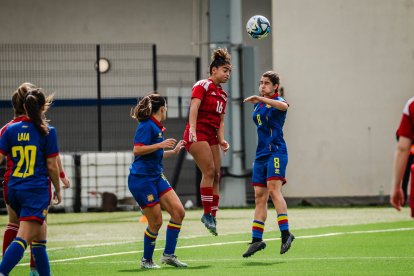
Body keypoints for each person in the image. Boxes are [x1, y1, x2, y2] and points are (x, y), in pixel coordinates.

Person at [1, 83, 70, 276]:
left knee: (39, 239)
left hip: (13, 187)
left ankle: (39, 273)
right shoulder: (46, 130)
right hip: (35, 190)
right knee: (23, 238)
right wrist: (58, 187)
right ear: (42, 107)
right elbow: (51, 165)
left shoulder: (9, 130)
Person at [128, 93, 187, 269]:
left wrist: (173, 151)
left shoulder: (156, 126)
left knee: (178, 212)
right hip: (142, 179)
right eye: (166, 107)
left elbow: (154, 152)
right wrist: (160, 145)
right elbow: (137, 150)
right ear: (162, 108)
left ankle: (168, 255)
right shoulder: (146, 125)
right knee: (156, 222)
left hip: (156, 176)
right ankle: (146, 260)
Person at [242, 71, 294, 258]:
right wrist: (260, 100)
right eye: (260, 83)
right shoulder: (258, 106)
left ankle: (286, 234)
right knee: (259, 196)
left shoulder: (278, 101)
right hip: (261, 154)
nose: (262, 86)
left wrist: (262, 99)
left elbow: (283, 105)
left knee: (274, 190)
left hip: (276, 152)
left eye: (266, 83)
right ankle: (257, 240)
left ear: (275, 87)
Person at [183, 48, 231, 236]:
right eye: (225, 70)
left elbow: (220, 120)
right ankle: (206, 214)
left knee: (217, 174)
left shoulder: (223, 95)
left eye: (229, 71)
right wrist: (192, 129)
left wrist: (221, 140)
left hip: (211, 135)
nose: (227, 74)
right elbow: (194, 108)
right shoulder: (202, 85)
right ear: (214, 70)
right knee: (209, 171)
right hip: (197, 133)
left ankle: (212, 214)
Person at [391, 97, 414, 217]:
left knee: (405, 174)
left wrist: (395, 187)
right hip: (410, 155)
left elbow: (402, 148)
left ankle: (402, 193)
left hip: (408, 155)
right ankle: (403, 192)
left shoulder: (411, 105)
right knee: (405, 175)